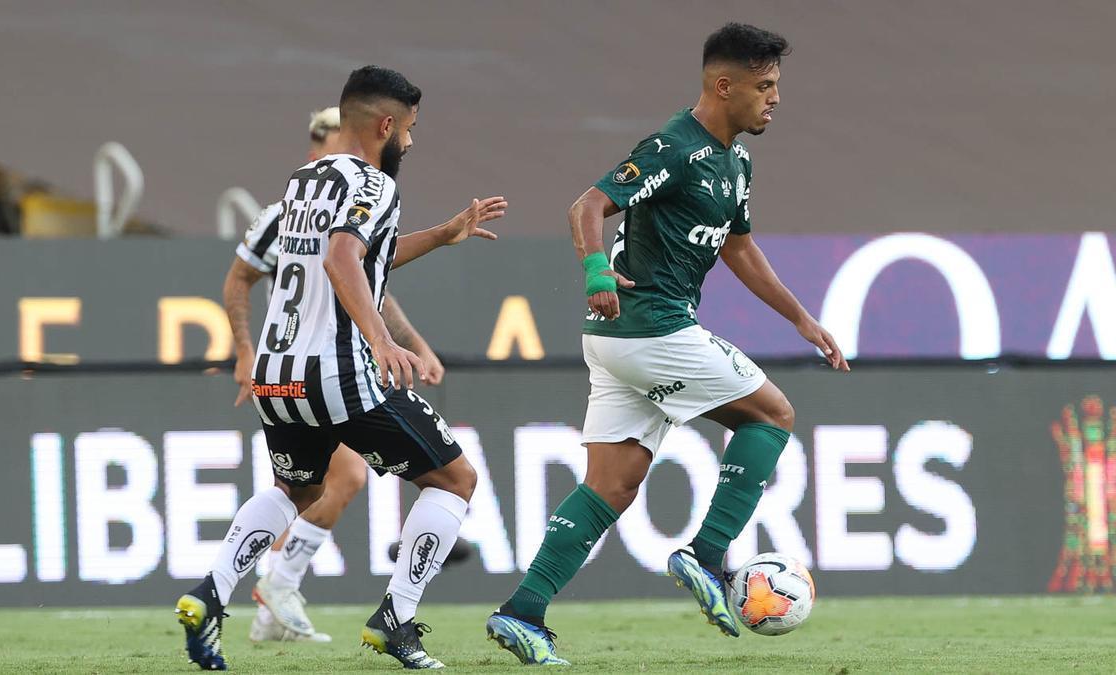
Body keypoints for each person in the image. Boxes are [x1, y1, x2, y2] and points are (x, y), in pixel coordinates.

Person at [486, 23, 849, 665]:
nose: (775, 98)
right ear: (723, 84)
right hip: (648, 326)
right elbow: (588, 206)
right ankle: (707, 555)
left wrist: (801, 319)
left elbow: (738, 248)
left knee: (612, 485)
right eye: (764, 86)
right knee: (772, 415)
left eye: (777, 86)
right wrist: (596, 271)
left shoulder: (736, 161)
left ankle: (524, 611)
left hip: (618, 343)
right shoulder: (673, 146)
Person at [176, 64, 506, 670]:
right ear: (386, 124)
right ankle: (396, 620)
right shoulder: (375, 184)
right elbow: (341, 258)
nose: (411, 141)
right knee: (454, 481)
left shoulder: (300, 184)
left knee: (297, 487)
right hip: (336, 372)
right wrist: (381, 340)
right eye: (409, 128)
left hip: (276, 374)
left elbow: (363, 255)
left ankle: (209, 596)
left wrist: (442, 234)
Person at [224, 105, 466, 644]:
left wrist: (415, 344)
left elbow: (372, 280)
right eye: (322, 139)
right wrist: (244, 350)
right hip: (310, 368)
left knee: (315, 485)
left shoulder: (352, 203)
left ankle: (260, 599)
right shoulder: (287, 209)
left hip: (339, 366)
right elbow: (240, 279)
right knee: (330, 482)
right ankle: (277, 584)